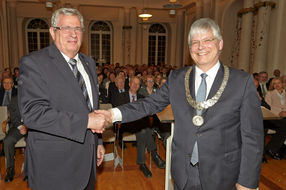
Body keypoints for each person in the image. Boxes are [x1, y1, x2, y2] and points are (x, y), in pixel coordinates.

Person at [97, 18, 264, 190]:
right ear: (190, 48)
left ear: (220, 44)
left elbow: (253, 137)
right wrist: (112, 114)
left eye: (207, 40)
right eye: (195, 42)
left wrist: (247, 182)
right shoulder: (177, 78)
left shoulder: (241, 82)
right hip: (184, 173)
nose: (201, 47)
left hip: (222, 174)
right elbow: (148, 104)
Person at [18, 8, 108, 190]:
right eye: (66, 28)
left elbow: (91, 107)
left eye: (78, 28)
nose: (73, 34)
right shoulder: (34, 63)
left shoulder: (89, 63)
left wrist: (97, 142)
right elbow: (33, 114)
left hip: (87, 162)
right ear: (53, 32)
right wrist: (87, 121)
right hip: (54, 168)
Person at [114, 76, 165, 178]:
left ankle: (142, 164)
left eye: (137, 84)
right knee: (144, 129)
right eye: (133, 83)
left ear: (139, 86)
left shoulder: (142, 97)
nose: (135, 85)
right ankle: (154, 154)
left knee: (142, 131)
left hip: (139, 125)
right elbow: (118, 113)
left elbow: (147, 114)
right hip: (126, 125)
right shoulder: (120, 97)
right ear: (129, 84)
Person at [3, 96, 27, 182]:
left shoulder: (36, 97)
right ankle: (10, 169)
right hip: (17, 126)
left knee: (32, 141)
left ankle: (28, 169)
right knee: (7, 141)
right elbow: (12, 117)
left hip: (32, 127)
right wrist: (21, 126)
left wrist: (27, 127)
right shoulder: (14, 99)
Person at [264, 77, 286, 160]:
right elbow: (268, 107)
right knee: (284, 126)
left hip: (284, 116)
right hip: (273, 116)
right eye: (274, 83)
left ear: (282, 84)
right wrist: (279, 113)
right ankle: (271, 149)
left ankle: (276, 149)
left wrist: (284, 112)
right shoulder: (270, 93)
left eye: (278, 83)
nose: (277, 85)